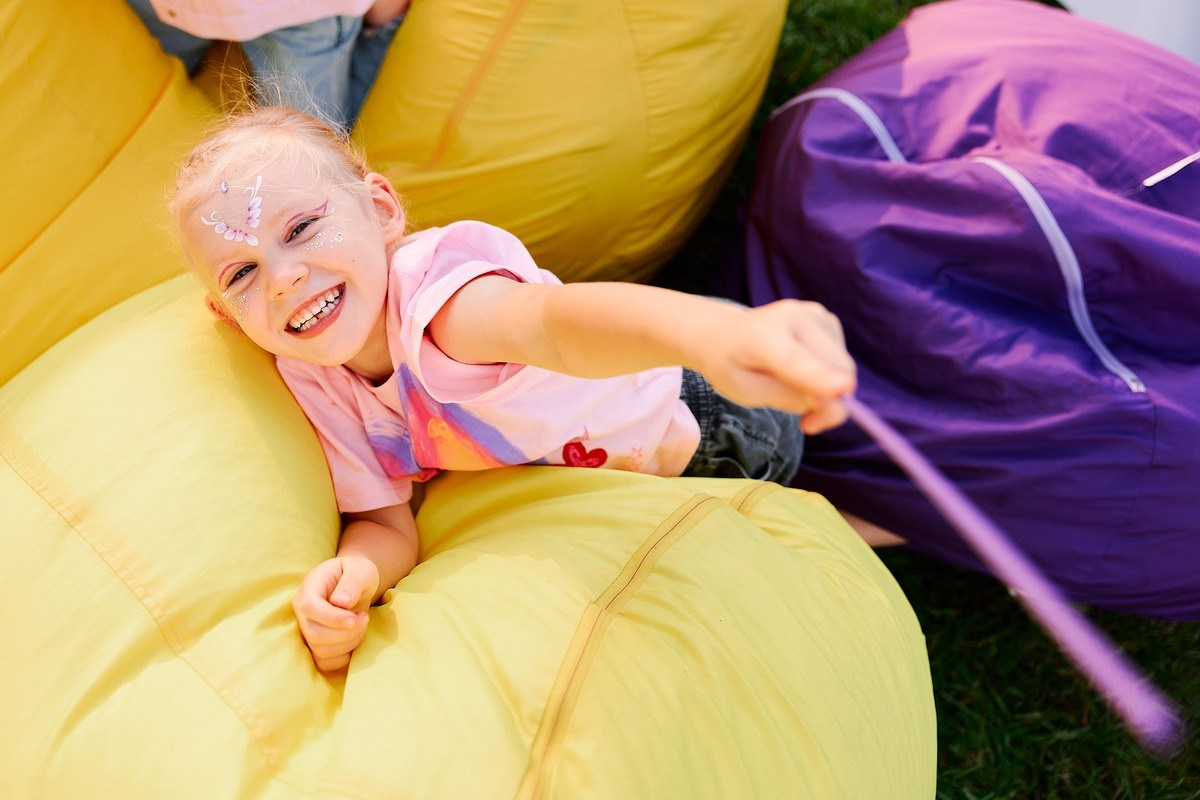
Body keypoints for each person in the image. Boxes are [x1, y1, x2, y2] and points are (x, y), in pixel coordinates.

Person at [171, 106, 862, 672]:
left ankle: (856, 505)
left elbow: (552, 327)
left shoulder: (436, 299)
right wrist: (355, 577)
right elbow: (384, 522)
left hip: (698, 428)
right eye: (240, 275)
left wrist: (713, 336)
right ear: (222, 313)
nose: (284, 277)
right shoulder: (314, 380)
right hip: (612, 485)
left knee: (801, 489)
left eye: (300, 228)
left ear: (380, 210)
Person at [126, 0, 410, 130]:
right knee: (135, 89)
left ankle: (380, 34)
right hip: (173, 8)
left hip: (299, 16)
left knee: (307, 147)